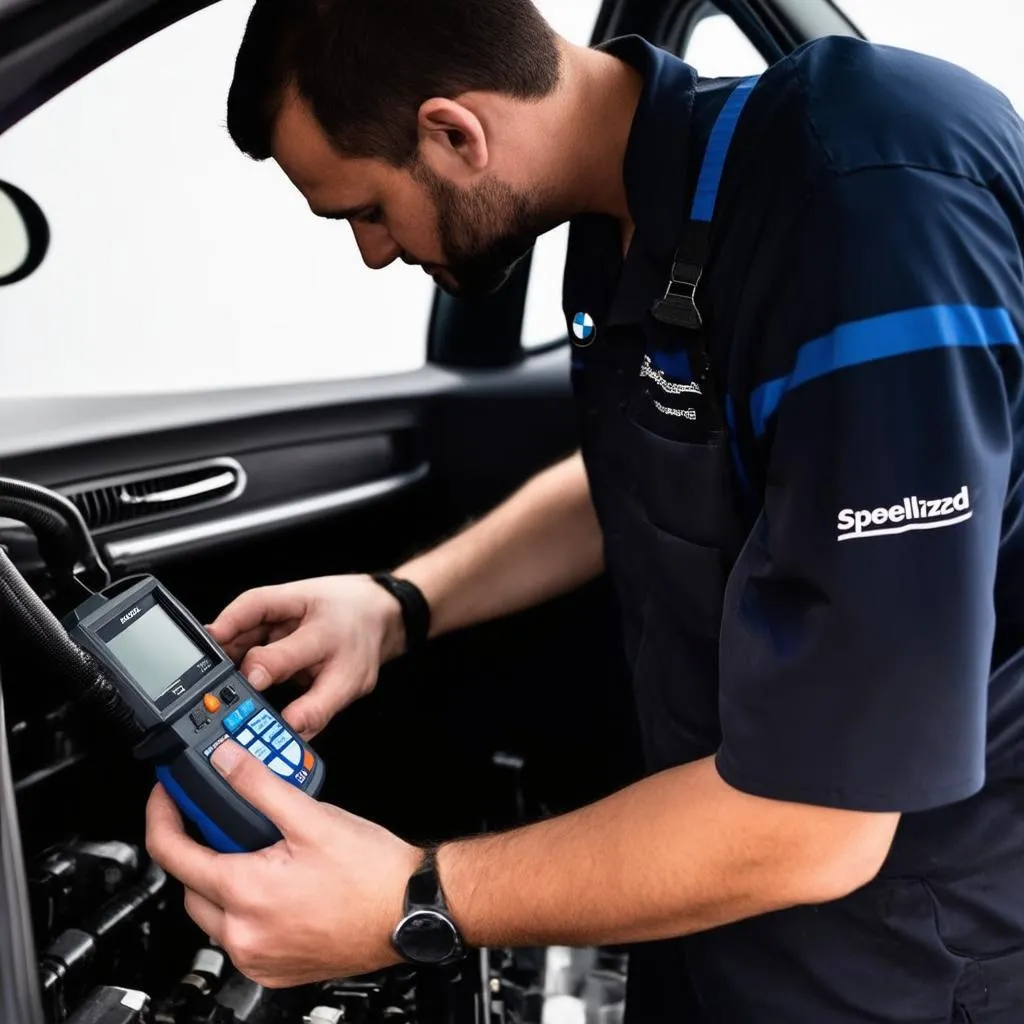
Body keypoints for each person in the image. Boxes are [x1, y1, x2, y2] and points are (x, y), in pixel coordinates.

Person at [145, 0, 1024, 1020]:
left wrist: (410, 897)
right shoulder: (632, 210)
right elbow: (653, 465)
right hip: (707, 903)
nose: (372, 253)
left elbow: (819, 819)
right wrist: (396, 603)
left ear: (453, 133)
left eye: (365, 210)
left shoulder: (870, 208)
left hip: (913, 949)